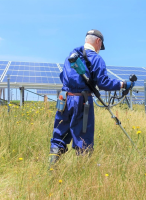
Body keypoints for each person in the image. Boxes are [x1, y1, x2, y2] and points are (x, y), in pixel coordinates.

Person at [49, 29, 134, 165]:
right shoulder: (96, 58)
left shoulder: (69, 58)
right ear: (98, 41)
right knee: (83, 137)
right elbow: (103, 83)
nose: (100, 49)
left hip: (63, 99)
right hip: (82, 101)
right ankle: (83, 174)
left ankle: (52, 169)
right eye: (101, 45)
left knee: (59, 134)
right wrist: (123, 84)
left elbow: (62, 77)